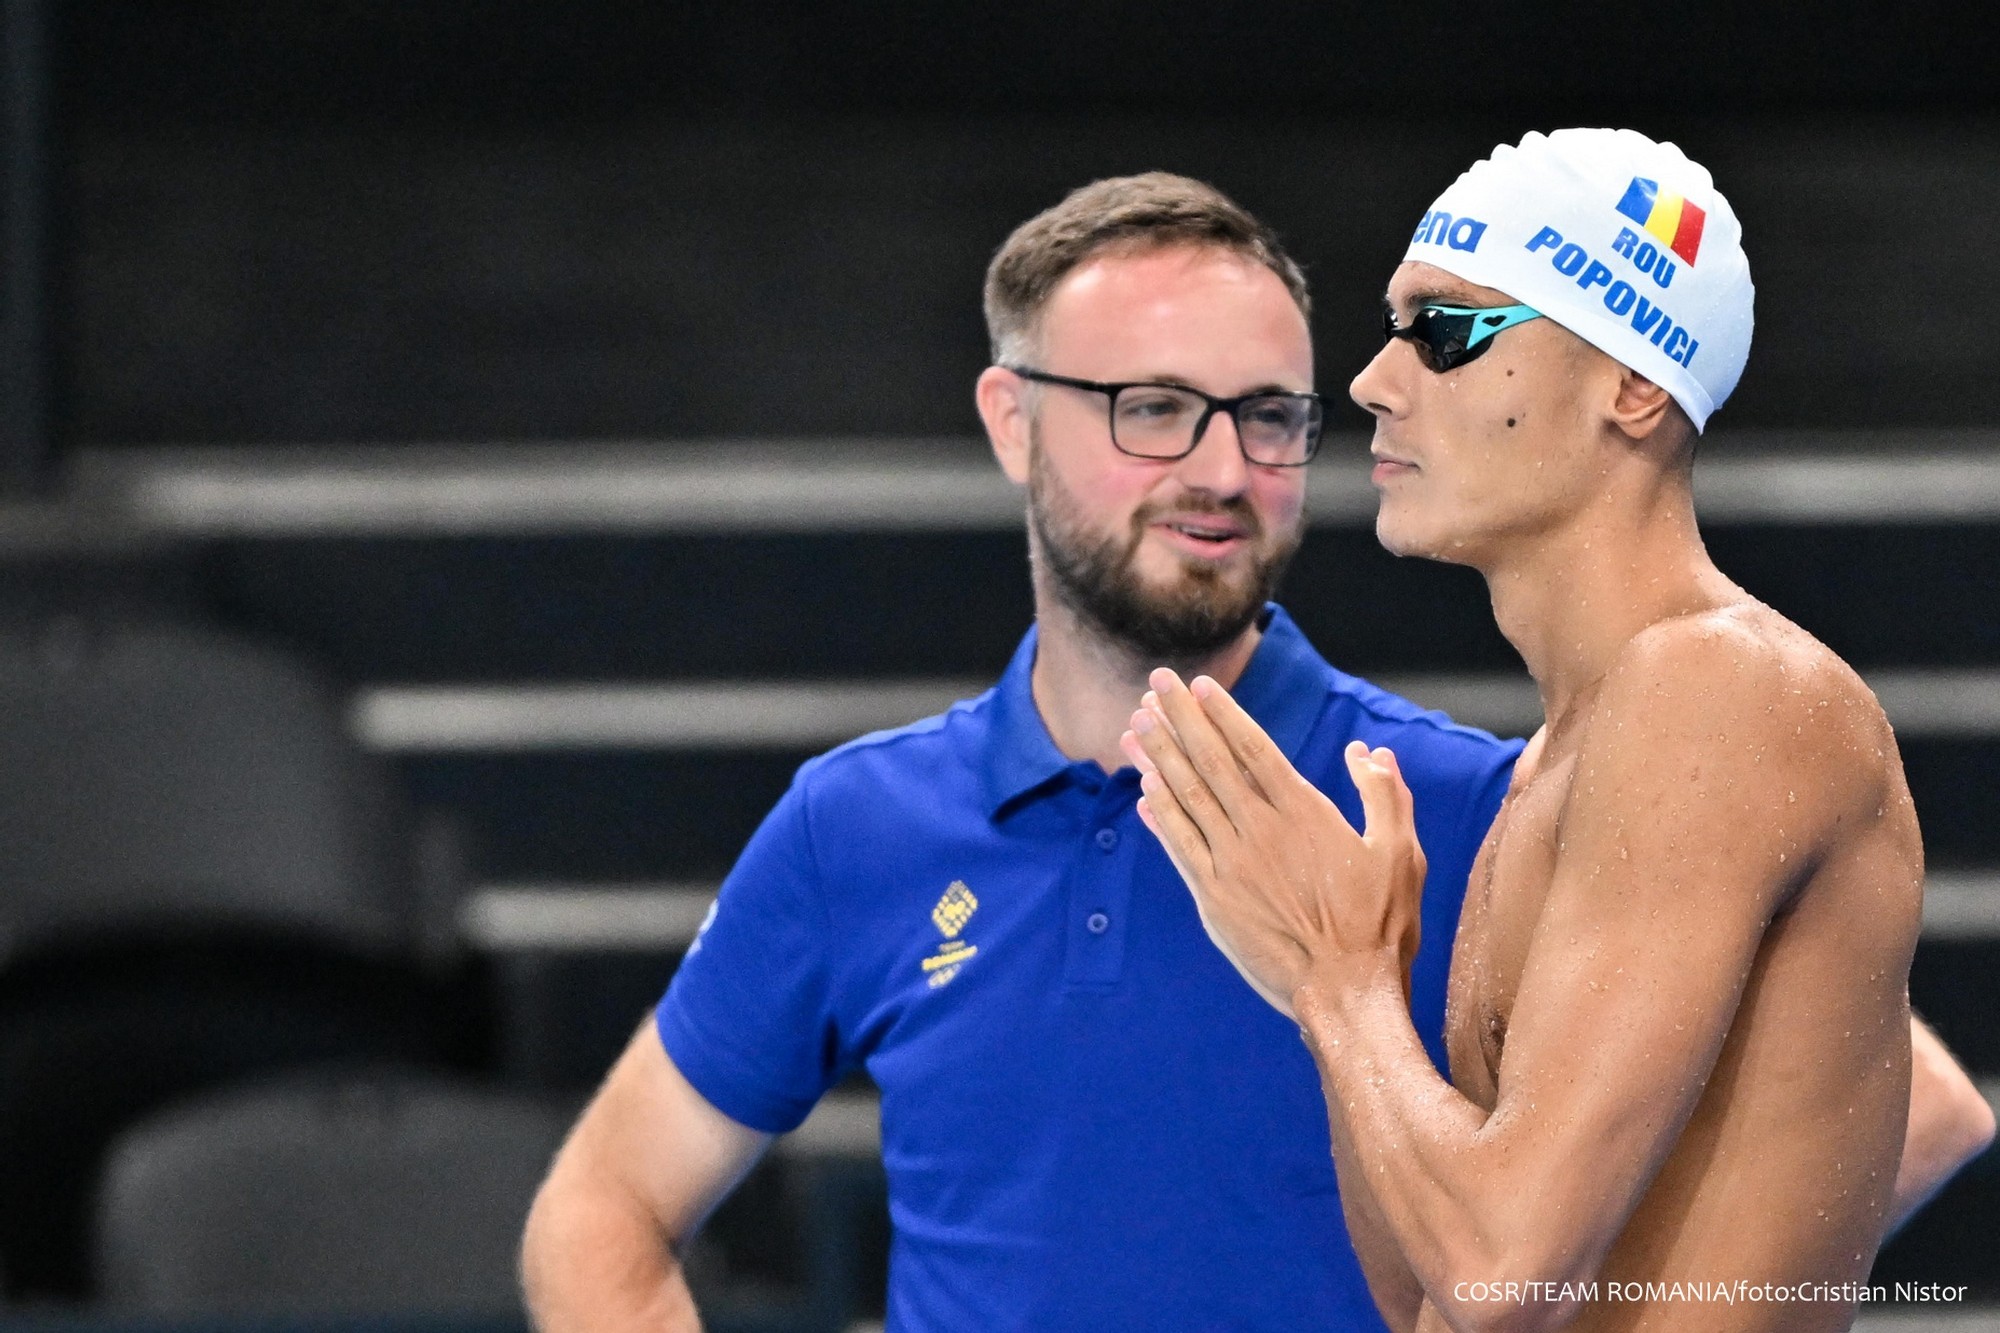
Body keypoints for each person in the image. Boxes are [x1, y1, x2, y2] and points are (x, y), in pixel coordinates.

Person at [520, 169, 1986, 1333]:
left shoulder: (1456, 793)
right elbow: (598, 1214)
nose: (1222, 469)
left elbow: (1887, 1102)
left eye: (1269, 417)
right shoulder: (856, 825)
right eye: (1154, 411)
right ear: (1011, 424)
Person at [1123, 129, 1994, 1333]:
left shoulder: (1717, 690)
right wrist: (1350, 984)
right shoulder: (1555, 759)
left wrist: (1339, 985)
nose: (1372, 379)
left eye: (1443, 329)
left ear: (1632, 387)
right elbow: (1429, 1298)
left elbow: (1501, 1274)